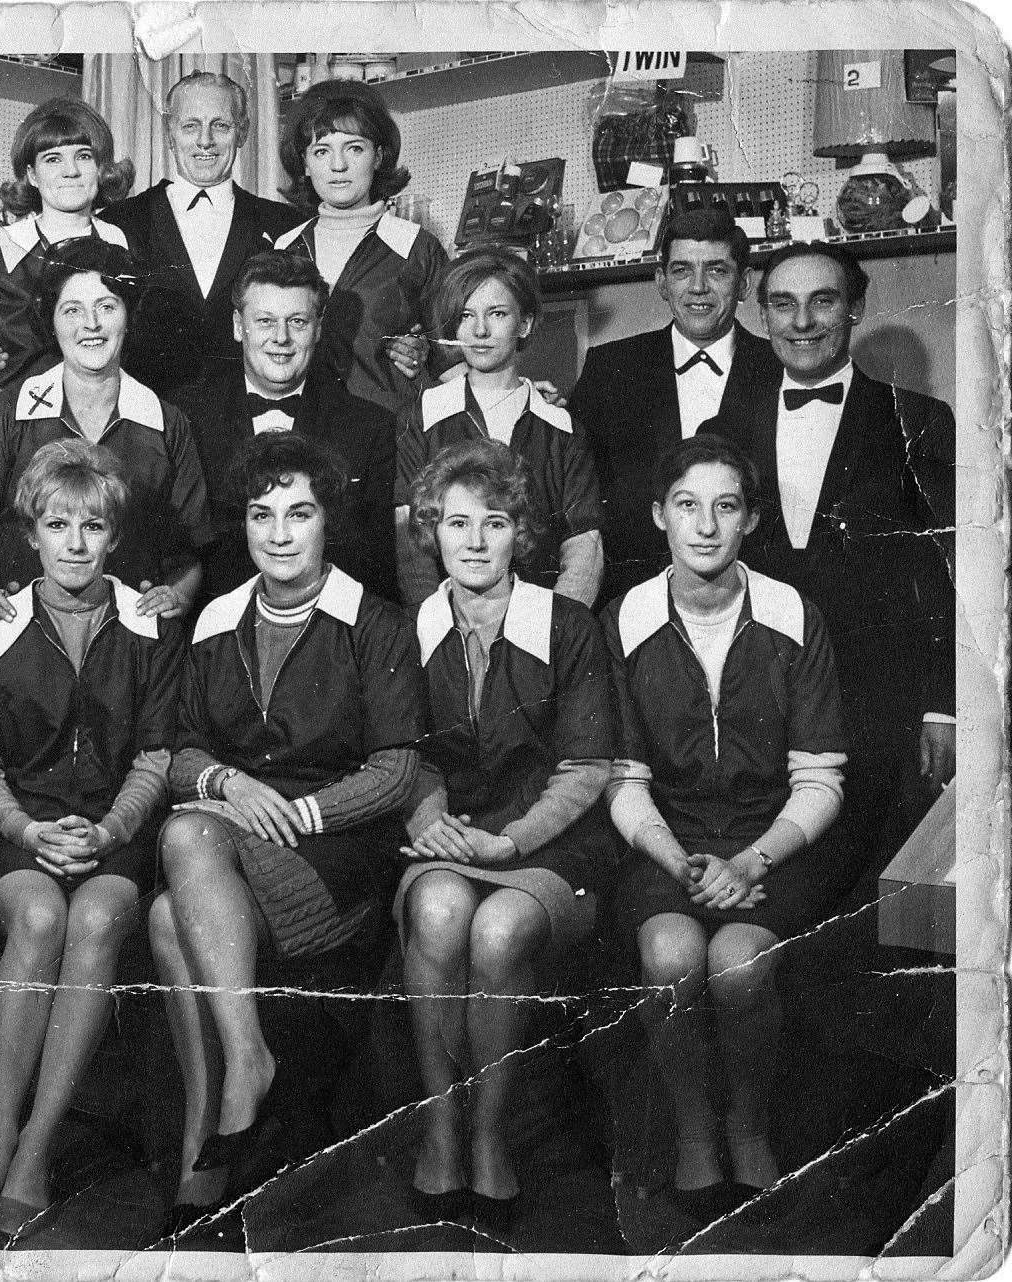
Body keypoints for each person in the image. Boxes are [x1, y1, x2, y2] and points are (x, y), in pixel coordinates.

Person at [150, 432, 424, 1233]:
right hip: (232, 839)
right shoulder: (215, 621)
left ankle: (231, 1104)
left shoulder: (372, 622)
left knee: (186, 850)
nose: (278, 533)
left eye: (298, 514)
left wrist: (298, 813)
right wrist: (229, 782)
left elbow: (397, 772)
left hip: (337, 853)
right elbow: (183, 752)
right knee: (170, 910)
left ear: (326, 522)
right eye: (261, 515)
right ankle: (222, 1124)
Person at [0, 441, 185, 1239]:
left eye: (92, 526)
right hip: (17, 831)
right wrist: (27, 828)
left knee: (99, 917)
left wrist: (114, 828)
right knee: (42, 916)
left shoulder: (148, 625)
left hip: (120, 830)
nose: (75, 543)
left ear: (115, 536)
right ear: (30, 534)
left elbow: (156, 756)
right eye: (57, 524)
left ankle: (34, 1151)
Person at [602, 435, 849, 1217]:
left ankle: (745, 1122)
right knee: (671, 955)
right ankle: (692, 1128)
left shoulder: (791, 614)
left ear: (749, 521)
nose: (705, 525)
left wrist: (752, 858)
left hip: (774, 835)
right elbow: (624, 781)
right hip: (662, 839)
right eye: (686, 505)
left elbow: (819, 779)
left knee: (739, 965)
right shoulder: (626, 620)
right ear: (658, 517)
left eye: (726, 506)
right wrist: (679, 863)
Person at [394, 439, 616, 1235]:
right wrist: (432, 826)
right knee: (441, 916)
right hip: (448, 836)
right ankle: (441, 1129)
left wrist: (512, 843)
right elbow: (404, 754)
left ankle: (489, 1138)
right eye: (457, 523)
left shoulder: (567, 624)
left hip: (551, 844)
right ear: (432, 532)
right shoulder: (412, 626)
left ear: (520, 533)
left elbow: (588, 768)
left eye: (494, 522)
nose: (476, 541)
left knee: (499, 927)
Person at [704, 241, 955, 868]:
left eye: (823, 302)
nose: (803, 322)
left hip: (882, 706)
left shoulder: (918, 419)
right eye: (784, 306)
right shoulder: (724, 430)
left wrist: (944, 704)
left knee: (870, 898)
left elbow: (953, 572)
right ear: (763, 317)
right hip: (767, 708)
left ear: (856, 308)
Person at [0, 238, 212, 625]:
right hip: (23, 635)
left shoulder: (168, 424)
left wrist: (175, 598)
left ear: (129, 315)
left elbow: (190, 559)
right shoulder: (8, 412)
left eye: (107, 306)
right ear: (49, 319)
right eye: (72, 310)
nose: (92, 324)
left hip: (128, 646)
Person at [566, 208, 782, 602]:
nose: (698, 287)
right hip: (633, 603)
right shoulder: (609, 369)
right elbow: (571, 490)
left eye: (716, 271)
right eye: (682, 270)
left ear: (745, 284)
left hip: (756, 603)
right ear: (661, 282)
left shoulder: (780, 369)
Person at [171, 249, 397, 601]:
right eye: (265, 321)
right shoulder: (184, 416)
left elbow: (376, 569)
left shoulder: (370, 427)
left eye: (298, 322)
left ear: (318, 329)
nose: (281, 338)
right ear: (237, 325)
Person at [395, 248, 603, 608]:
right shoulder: (425, 415)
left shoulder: (560, 427)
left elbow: (584, 546)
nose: (479, 330)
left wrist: (552, 632)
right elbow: (412, 544)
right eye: (466, 315)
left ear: (523, 323)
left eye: (497, 313)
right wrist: (438, 628)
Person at [101, 71, 303, 394]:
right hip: (151, 428)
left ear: (243, 132)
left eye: (220, 125)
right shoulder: (119, 221)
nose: (204, 141)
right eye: (190, 126)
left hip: (245, 429)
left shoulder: (284, 225)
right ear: (169, 133)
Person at [0, 96, 134, 407]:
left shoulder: (120, 244)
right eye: (53, 159)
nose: (71, 171)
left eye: (83, 156)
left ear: (101, 168)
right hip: (11, 430)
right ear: (32, 175)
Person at [274, 79, 454, 418]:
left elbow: (457, 363)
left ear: (378, 156)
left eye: (354, 148)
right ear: (305, 164)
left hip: (393, 444)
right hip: (303, 443)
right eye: (322, 151)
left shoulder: (417, 248)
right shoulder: (285, 250)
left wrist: (426, 354)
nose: (338, 165)